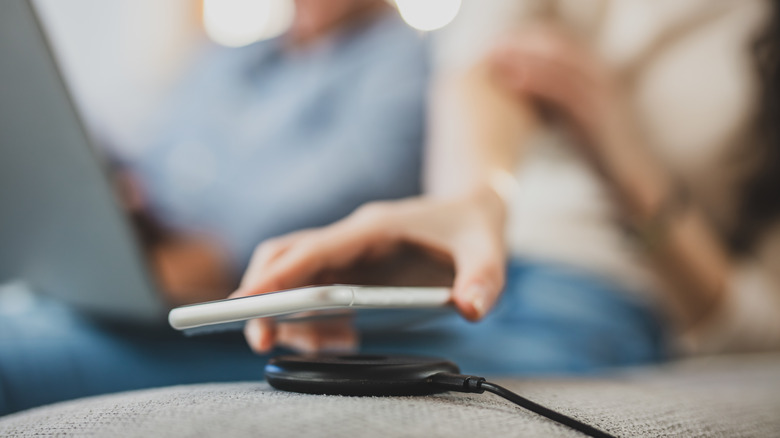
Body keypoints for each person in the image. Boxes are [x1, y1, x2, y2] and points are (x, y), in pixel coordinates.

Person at [232, 0, 780, 365]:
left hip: (599, 294)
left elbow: (759, 330)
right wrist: (475, 206)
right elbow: (486, 62)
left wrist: (628, 167)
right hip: (459, 283)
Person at [0, 0, 429, 416]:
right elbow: (157, 163)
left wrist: (196, 254)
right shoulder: (227, 60)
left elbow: (321, 205)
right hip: (147, 289)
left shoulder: (407, 66)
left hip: (266, 328)